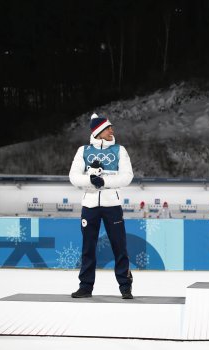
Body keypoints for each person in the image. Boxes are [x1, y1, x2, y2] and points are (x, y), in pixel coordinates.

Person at [68, 113, 134, 299]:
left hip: (112, 205)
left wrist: (102, 181)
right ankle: (86, 287)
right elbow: (73, 177)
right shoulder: (83, 150)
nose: (112, 130)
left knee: (119, 246)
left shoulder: (120, 150)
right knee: (88, 247)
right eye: (108, 128)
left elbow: (127, 176)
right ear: (98, 131)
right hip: (89, 206)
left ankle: (125, 286)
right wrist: (90, 179)